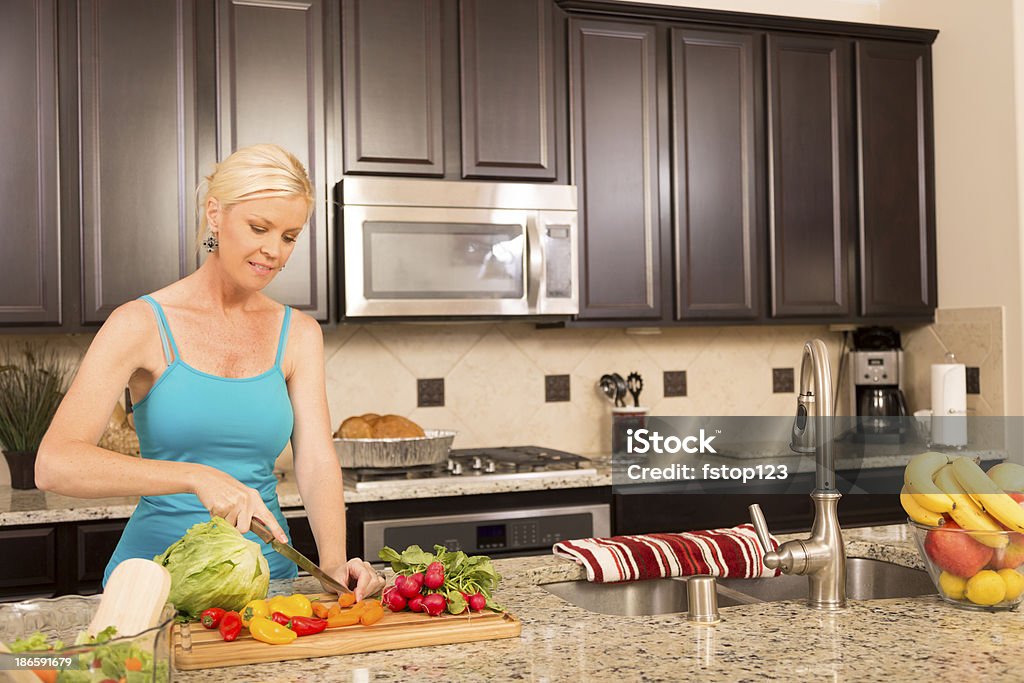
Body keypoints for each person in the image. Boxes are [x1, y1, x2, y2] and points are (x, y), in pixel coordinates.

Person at [36, 144, 384, 599]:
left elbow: (317, 458)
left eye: (289, 236)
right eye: (259, 228)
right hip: (153, 587)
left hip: (268, 583)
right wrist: (197, 476)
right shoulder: (139, 323)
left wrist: (333, 561)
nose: (274, 251)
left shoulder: (297, 332)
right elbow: (55, 463)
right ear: (215, 214)